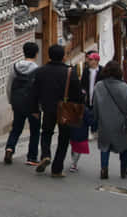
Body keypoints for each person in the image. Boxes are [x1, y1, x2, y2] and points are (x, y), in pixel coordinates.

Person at [29, 44, 83, 177]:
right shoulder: (70, 72)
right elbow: (77, 93)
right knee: (63, 138)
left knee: (46, 133)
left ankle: (45, 155)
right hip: (65, 109)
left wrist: (34, 109)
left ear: (49, 56)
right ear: (63, 56)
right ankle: (57, 169)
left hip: (48, 108)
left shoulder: (41, 71)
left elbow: (34, 92)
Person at [93, 61, 127, 180]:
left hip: (104, 122)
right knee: (123, 146)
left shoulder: (99, 86)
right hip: (120, 123)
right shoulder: (124, 87)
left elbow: (95, 106)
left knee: (104, 146)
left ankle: (104, 169)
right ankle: (123, 170)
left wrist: (95, 120)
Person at [4, 42, 41, 166]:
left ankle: (9, 148)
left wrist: (11, 101)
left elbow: (9, 85)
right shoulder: (38, 70)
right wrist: (40, 106)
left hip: (18, 102)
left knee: (16, 128)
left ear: (24, 52)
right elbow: (39, 90)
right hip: (33, 105)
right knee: (35, 131)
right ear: (36, 54)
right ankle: (32, 157)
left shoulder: (15, 67)